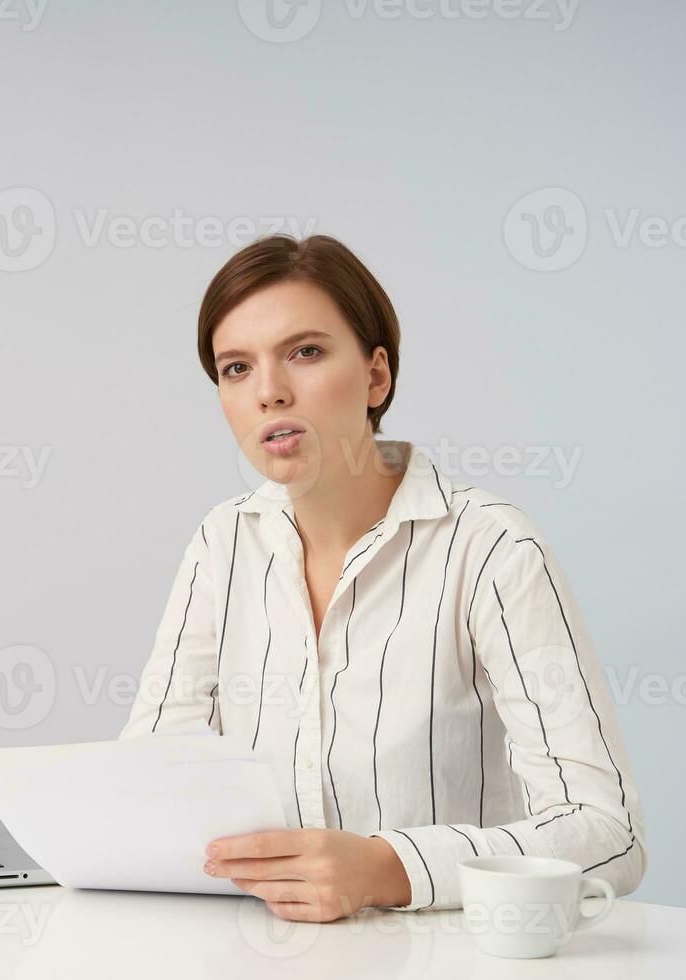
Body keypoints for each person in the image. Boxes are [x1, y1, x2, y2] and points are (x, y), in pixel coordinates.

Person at [119, 234, 647, 922]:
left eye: (304, 352)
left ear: (376, 376)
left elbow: (609, 835)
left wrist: (388, 867)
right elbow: (145, 781)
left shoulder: (491, 548)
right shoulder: (224, 542)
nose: (270, 394)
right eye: (236, 368)